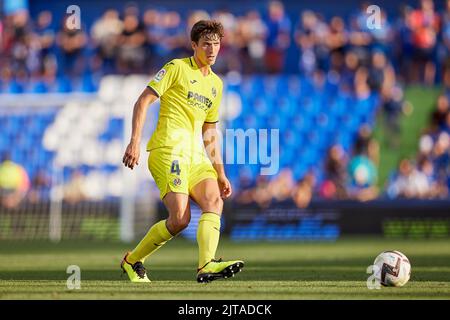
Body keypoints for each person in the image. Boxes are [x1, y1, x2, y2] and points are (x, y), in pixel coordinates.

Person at [121, 20, 244, 283]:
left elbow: (209, 131)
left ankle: (206, 266)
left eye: (217, 44)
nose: (212, 49)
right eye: (206, 44)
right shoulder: (176, 68)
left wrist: (220, 173)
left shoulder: (216, 85)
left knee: (214, 200)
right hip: (168, 150)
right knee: (179, 219)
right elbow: (143, 101)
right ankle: (132, 261)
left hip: (196, 156)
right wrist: (134, 141)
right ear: (194, 45)